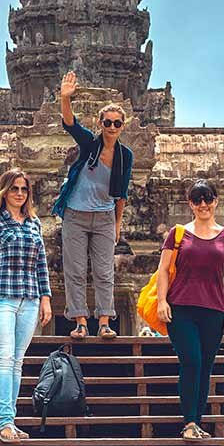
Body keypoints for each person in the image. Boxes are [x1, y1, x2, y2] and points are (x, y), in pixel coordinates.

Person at [0, 169, 53, 443]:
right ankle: (4, 422)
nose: (19, 193)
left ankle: (11, 421)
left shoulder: (34, 224)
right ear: (4, 192)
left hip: (29, 299)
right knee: (4, 358)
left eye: (24, 189)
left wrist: (46, 298)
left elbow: (41, 264)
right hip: (0, 296)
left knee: (17, 362)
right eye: (14, 188)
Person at [154, 179, 224, 441]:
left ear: (215, 201)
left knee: (205, 366)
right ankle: (189, 421)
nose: (203, 204)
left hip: (214, 308)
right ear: (190, 204)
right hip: (180, 307)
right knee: (191, 360)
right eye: (197, 200)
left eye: (208, 199)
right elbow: (163, 270)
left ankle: (197, 421)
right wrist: (161, 301)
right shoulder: (178, 233)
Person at [52, 70, 132, 340]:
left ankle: (105, 321)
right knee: (74, 269)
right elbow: (70, 123)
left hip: (105, 217)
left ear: (123, 126)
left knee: (103, 271)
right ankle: (81, 322)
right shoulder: (89, 144)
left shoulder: (125, 155)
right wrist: (65, 98)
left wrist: (118, 224)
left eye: (117, 124)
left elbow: (121, 193)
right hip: (75, 214)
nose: (111, 127)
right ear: (100, 124)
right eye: (107, 123)